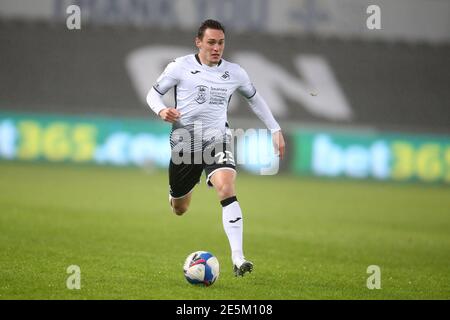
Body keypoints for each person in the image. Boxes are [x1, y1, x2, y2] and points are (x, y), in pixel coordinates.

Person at [146, 19, 285, 277]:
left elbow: (256, 100)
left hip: (217, 138)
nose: (216, 47)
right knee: (180, 208)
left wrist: (275, 129)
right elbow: (152, 93)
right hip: (185, 142)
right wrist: (162, 109)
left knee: (226, 185)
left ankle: (238, 258)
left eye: (221, 42)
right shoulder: (179, 66)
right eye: (211, 42)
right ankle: (175, 194)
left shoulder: (235, 72)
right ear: (198, 42)